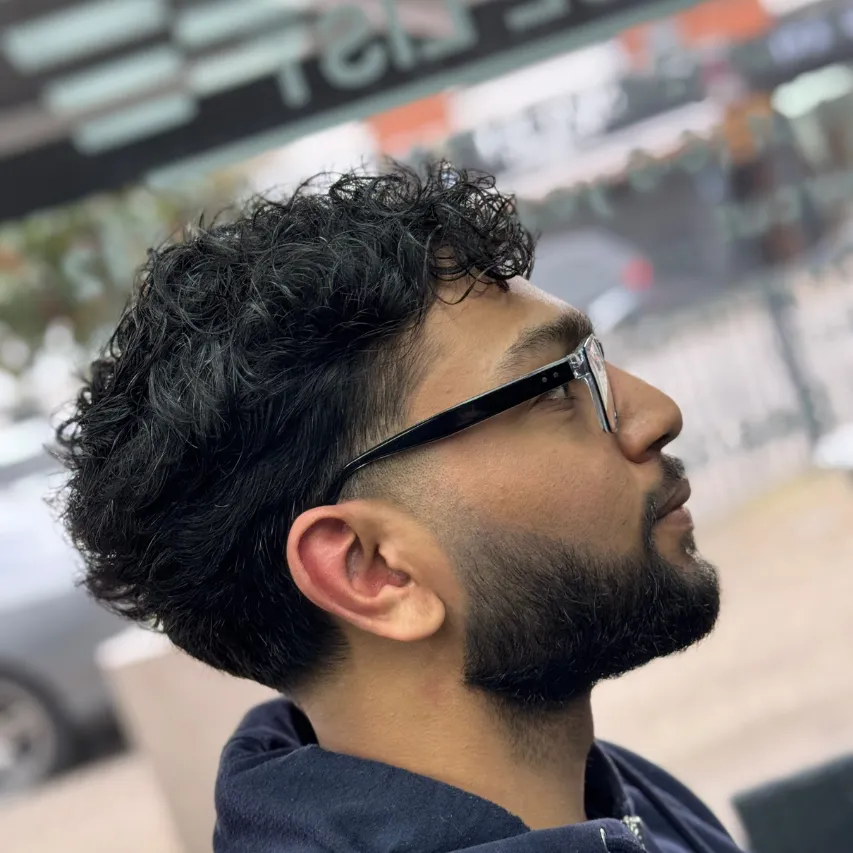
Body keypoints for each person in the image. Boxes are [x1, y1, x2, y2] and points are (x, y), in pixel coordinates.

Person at [55, 163, 741, 853]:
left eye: (589, 364)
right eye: (552, 388)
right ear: (372, 569)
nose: (657, 413)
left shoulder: (629, 800)